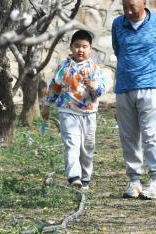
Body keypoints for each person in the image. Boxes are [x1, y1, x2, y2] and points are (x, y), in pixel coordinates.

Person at [112, 0, 156, 200]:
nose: (128, 12)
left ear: (144, 3)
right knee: (128, 137)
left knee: (150, 134)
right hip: (123, 87)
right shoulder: (118, 24)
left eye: (133, 7)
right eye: (125, 8)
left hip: (148, 86)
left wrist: (151, 70)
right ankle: (134, 180)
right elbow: (118, 50)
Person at [42, 29, 108, 190]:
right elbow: (54, 87)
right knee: (72, 144)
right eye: (77, 46)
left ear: (90, 49)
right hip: (67, 111)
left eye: (85, 46)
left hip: (89, 113)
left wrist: (92, 85)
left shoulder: (94, 69)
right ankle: (74, 177)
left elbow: (101, 90)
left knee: (87, 148)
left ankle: (85, 178)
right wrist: (47, 105)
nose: (81, 50)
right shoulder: (64, 67)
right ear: (71, 47)